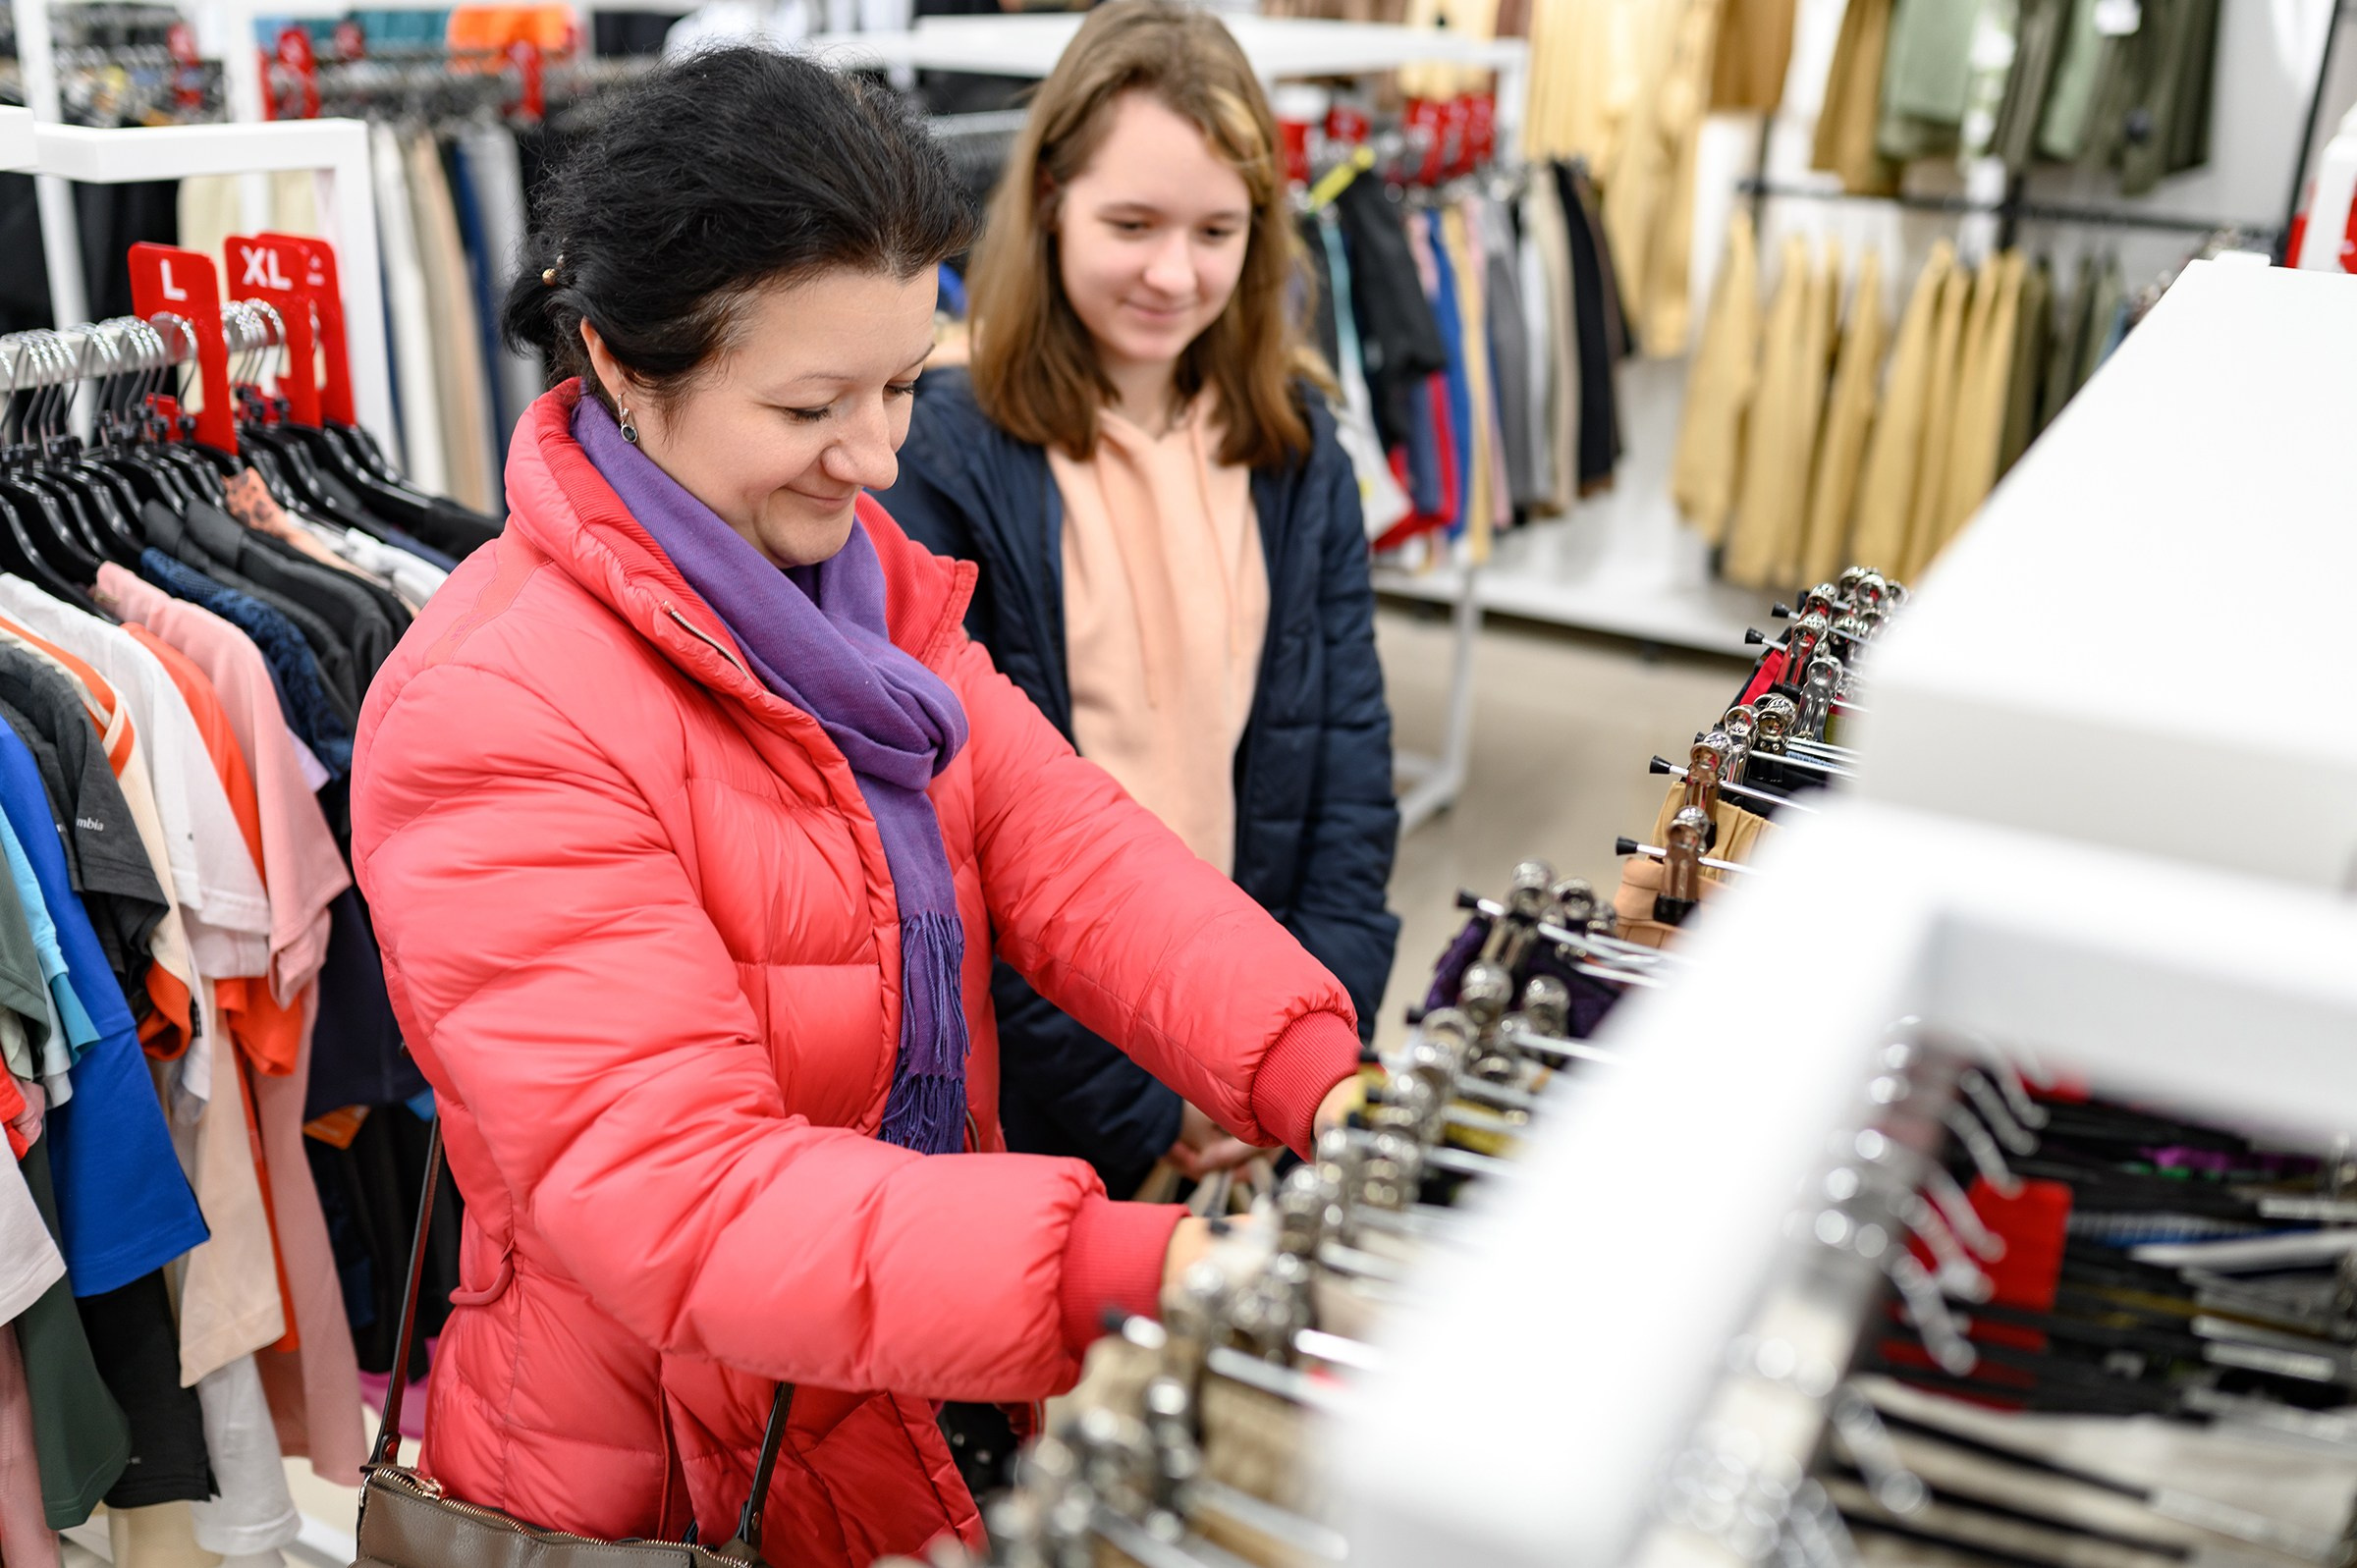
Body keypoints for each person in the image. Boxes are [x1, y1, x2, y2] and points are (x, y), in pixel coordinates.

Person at [348, 46, 1365, 1566]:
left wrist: (1316, 1074)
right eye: (815, 402)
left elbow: (1062, 847)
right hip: (664, 1469)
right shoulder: (492, 709)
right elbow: (680, 1193)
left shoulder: (857, 591)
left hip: (901, 1372)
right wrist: (1141, 1256)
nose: (880, 453)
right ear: (624, 364)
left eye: (902, 385)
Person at [876, 0, 1400, 1203]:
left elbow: (1348, 765)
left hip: (1253, 1049)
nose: (1176, 273)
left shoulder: (1296, 445)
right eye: (1133, 222)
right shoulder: (941, 455)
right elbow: (956, 839)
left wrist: (1292, 1050)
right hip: (1051, 1089)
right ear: (1051, 193)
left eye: (1218, 230)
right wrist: (1139, 1099)